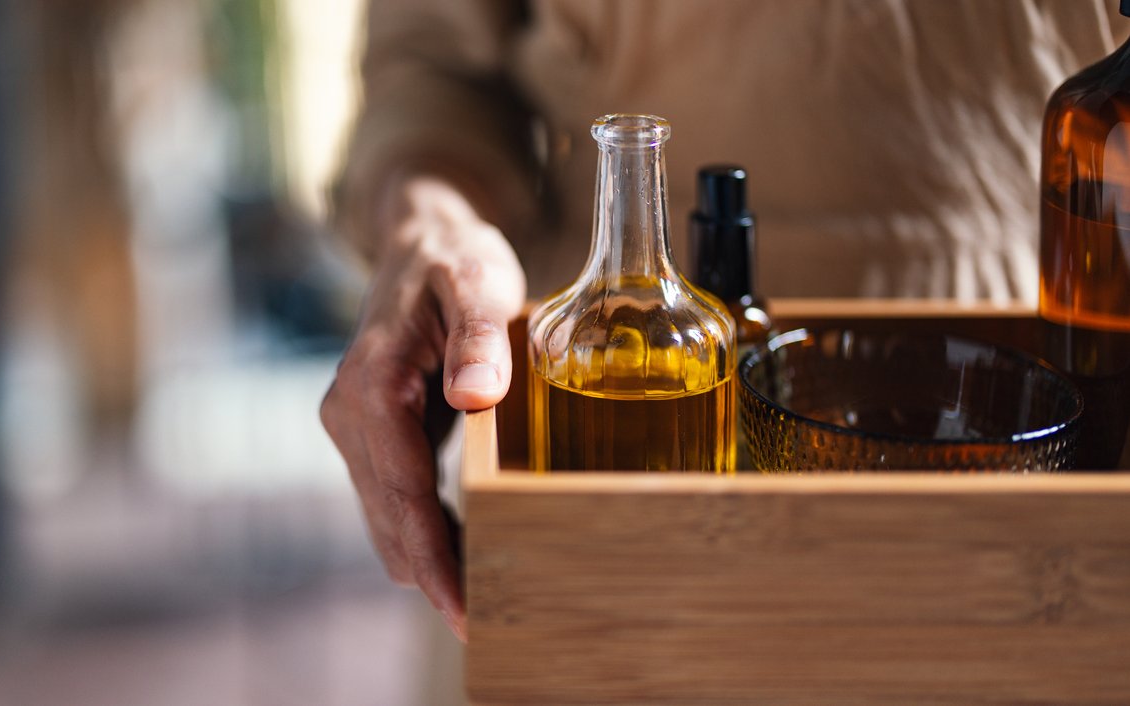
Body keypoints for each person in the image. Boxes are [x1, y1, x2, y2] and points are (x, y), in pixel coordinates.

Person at [320, 0, 1123, 641]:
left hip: (1018, 400)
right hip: (613, 612)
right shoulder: (625, 340)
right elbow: (429, 69)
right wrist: (428, 223)